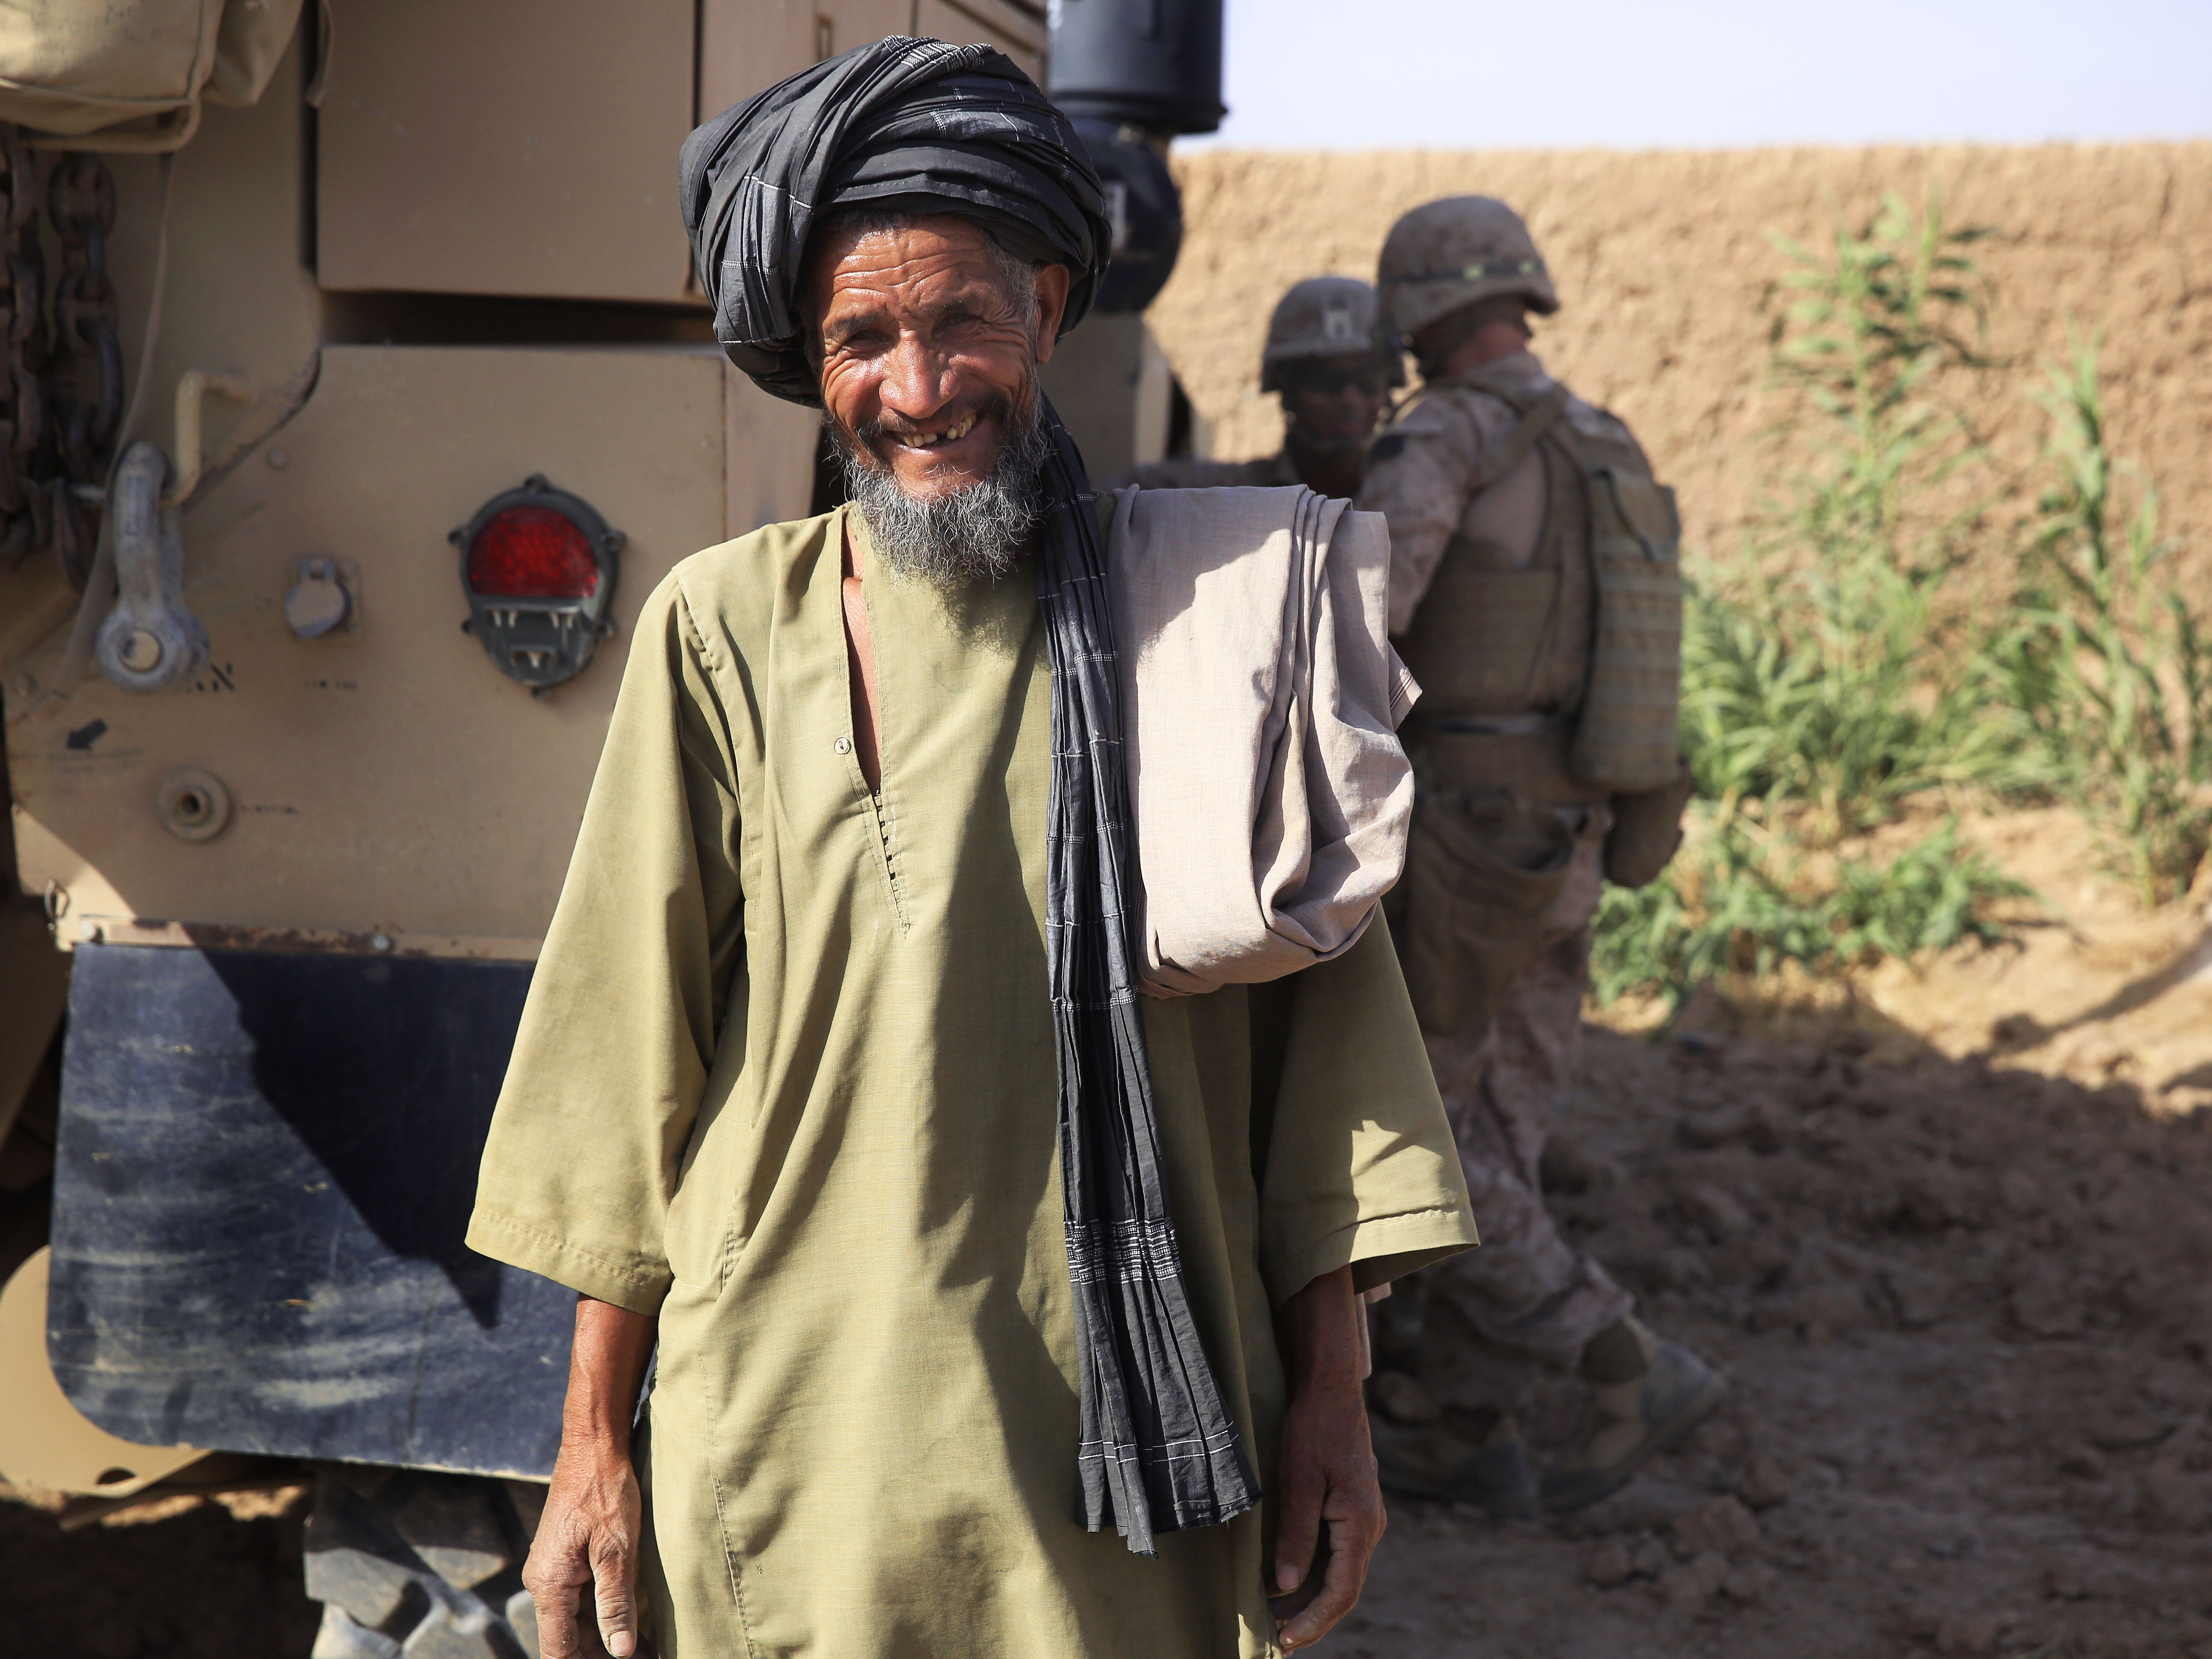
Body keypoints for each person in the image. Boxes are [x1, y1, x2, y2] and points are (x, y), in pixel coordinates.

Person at [466, 39, 1474, 1659]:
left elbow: (1325, 1063)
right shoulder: (722, 633)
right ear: (809, 361)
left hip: (1128, 1468)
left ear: (1051, 314)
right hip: (797, 1450)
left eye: (961, 323)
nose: (919, 386)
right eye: (862, 337)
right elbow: (619, 1068)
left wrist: (1337, 1408)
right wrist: (589, 1445)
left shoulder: (1216, 622)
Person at [1354, 195, 1722, 1518]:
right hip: (1575, 829)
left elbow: (1362, 618)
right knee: (1508, 1124)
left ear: (1417, 312)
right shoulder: (1600, 437)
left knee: (1431, 1140)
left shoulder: (1449, 434)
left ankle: (1622, 1355)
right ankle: (1468, 1423)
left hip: (1466, 839)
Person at [1111, 277, 1400, 499]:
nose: (1350, 400)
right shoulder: (1230, 496)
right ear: (1287, 390)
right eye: (1326, 382)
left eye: (1368, 381)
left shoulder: (1412, 497)